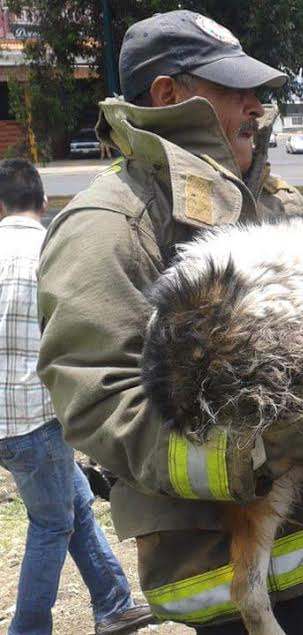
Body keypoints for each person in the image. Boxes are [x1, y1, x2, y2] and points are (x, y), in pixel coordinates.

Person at [37, 11, 303, 634]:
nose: (257, 105)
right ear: (168, 96)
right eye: (234, 89)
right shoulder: (109, 226)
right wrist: (251, 453)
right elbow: (100, 403)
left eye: (257, 91)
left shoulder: (275, 205)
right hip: (232, 582)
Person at [0, 159, 154, 635]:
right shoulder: (52, 250)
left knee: (77, 503)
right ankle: (28, 629)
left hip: (7, 422)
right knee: (51, 524)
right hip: (37, 418)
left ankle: (114, 603)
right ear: (44, 202)